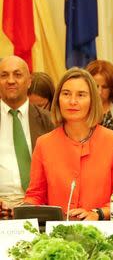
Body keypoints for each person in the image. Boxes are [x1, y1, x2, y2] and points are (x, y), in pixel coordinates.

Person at [24, 67, 113, 220]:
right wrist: (22, 209)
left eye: (81, 95)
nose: (72, 101)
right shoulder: (44, 144)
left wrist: (99, 213)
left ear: (92, 101)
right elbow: (36, 195)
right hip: (57, 236)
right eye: (66, 94)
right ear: (57, 99)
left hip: (102, 232)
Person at [0, 56, 53, 215]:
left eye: (17, 75)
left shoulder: (49, 121)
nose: (10, 80)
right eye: (4, 75)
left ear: (29, 81)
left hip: (39, 207)